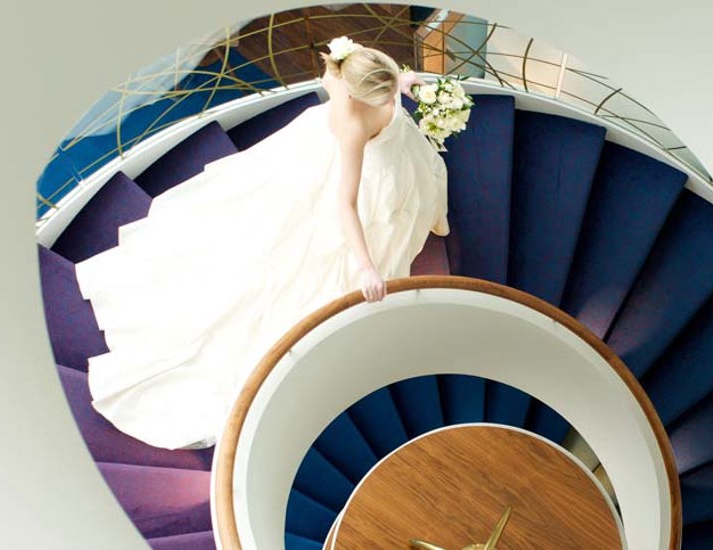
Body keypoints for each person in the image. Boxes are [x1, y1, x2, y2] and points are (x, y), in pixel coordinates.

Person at [74, 39, 450, 450]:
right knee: (288, 269)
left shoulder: (367, 64)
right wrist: (366, 266)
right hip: (341, 174)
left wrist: (407, 82)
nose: (390, 95)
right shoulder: (351, 124)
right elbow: (345, 203)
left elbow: (386, 77)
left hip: (382, 148)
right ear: (359, 91)